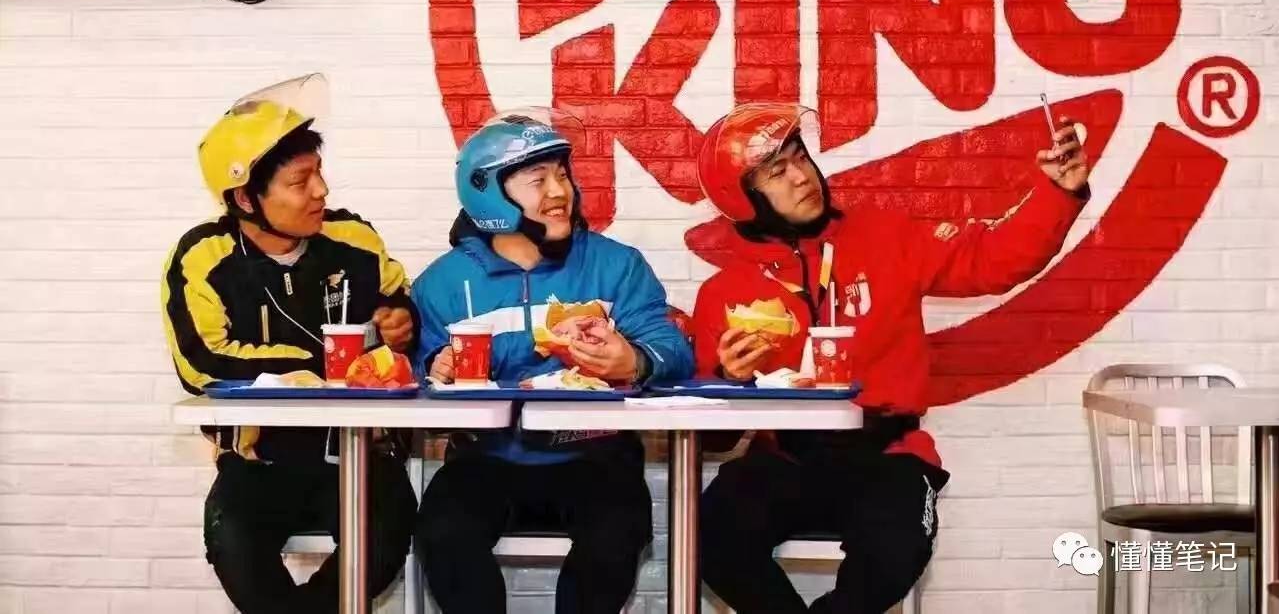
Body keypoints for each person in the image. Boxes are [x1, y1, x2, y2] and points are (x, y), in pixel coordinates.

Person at [692, 102, 1091, 614]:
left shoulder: (887, 235)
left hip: (888, 456)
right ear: (743, 200)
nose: (802, 177)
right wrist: (729, 380)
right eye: (777, 172)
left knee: (893, 554)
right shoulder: (724, 294)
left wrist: (1057, 193)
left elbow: (992, 259)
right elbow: (714, 441)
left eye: (800, 157)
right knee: (709, 537)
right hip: (784, 460)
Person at [411, 109, 694, 614]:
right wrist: (435, 370)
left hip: (595, 457)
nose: (560, 191)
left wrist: (633, 361)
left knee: (617, 534)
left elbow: (673, 350)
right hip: (486, 458)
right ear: (488, 193)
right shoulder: (442, 283)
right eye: (538, 180)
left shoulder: (616, 264)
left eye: (563, 174)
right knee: (442, 535)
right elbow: (412, 379)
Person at [161, 75, 418, 614]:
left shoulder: (354, 239)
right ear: (245, 197)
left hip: (356, 455)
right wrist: (317, 367)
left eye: (320, 173)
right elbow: (202, 363)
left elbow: (399, 302)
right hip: (259, 463)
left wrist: (401, 322)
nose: (321, 191)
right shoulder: (203, 257)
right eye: (301, 181)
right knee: (231, 540)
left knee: (385, 532)